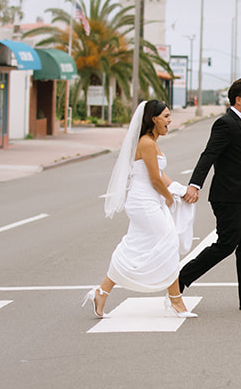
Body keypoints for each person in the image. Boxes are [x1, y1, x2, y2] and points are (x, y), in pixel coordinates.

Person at [83, 99, 196, 318]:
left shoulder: (152, 142)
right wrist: (169, 199)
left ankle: (102, 292)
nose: (170, 120)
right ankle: (176, 301)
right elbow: (154, 179)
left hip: (149, 201)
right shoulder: (146, 143)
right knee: (169, 241)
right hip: (144, 202)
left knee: (133, 246)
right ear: (153, 119)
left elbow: (160, 175)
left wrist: (179, 190)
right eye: (166, 116)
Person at [177, 78, 241, 310]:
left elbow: (240, 159)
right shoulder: (225, 123)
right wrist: (195, 184)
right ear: (238, 100)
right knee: (226, 244)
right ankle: (180, 279)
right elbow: (209, 155)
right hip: (228, 196)